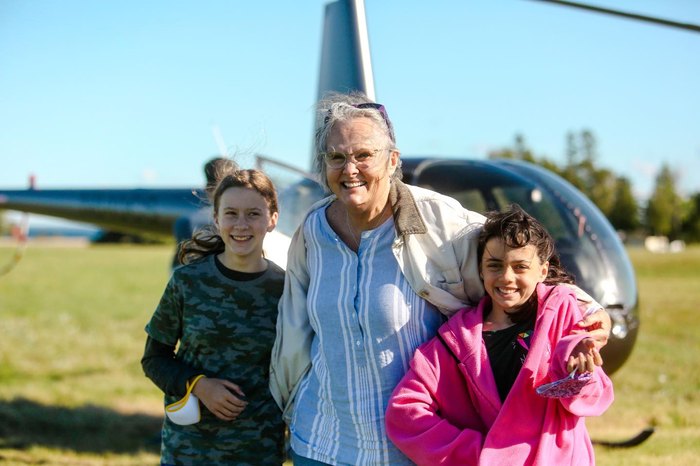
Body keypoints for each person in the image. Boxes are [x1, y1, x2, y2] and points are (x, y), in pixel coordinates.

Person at [269, 91, 612, 465]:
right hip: (319, 444)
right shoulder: (312, 232)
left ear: (391, 161)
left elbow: (517, 262)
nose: (350, 169)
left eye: (364, 155)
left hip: (408, 452)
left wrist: (589, 313)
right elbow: (295, 332)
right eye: (336, 157)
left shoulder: (438, 220)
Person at [385, 204, 614, 465]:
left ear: (542, 270)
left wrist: (578, 373)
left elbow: (596, 399)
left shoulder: (564, 311)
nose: (506, 277)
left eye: (520, 267)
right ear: (480, 270)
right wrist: (478, 455)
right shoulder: (454, 340)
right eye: (495, 265)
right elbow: (403, 412)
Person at [142, 166, 286, 465]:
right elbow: (154, 359)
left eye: (253, 214)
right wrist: (198, 385)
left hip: (259, 449)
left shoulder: (287, 289)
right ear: (217, 218)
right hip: (190, 449)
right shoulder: (188, 282)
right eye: (231, 213)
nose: (241, 224)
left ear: (273, 218)